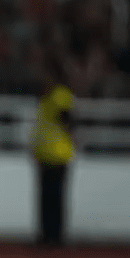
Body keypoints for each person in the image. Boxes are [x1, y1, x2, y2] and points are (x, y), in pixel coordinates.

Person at [31, 83, 75, 246]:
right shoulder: (45, 99)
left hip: (58, 154)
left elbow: (67, 118)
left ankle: (55, 235)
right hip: (45, 154)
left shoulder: (59, 95)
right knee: (46, 197)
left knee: (54, 197)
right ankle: (47, 234)